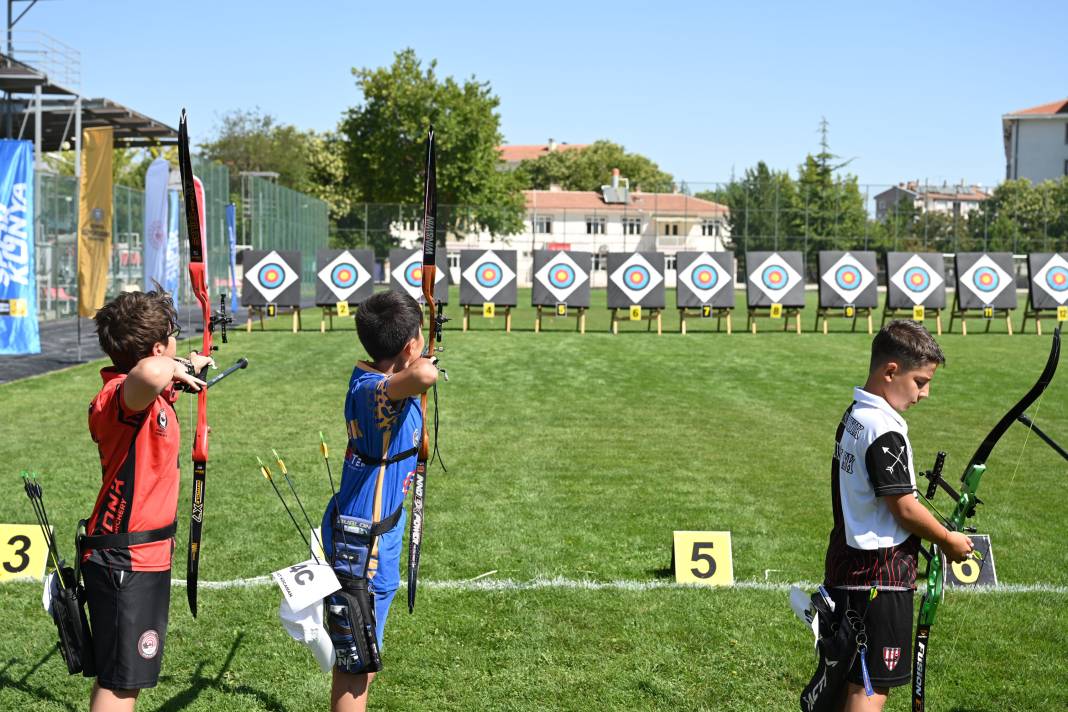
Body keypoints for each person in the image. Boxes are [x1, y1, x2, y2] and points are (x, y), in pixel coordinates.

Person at [820, 320, 973, 712]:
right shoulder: (882, 428)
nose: (925, 393)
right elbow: (904, 507)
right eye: (920, 381)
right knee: (869, 686)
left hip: (847, 566)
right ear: (891, 371)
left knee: (846, 679)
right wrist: (948, 539)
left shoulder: (854, 414)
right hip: (879, 577)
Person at [84, 290, 211, 712]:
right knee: (121, 681)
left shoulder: (149, 392)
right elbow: (150, 375)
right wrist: (177, 366)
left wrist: (186, 368)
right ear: (159, 349)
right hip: (125, 556)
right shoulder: (117, 396)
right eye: (172, 337)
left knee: (127, 676)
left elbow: (158, 379)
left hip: (143, 552)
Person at [320, 290, 439, 712]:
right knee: (356, 664)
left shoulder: (379, 378)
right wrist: (423, 361)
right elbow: (424, 377)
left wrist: (419, 353)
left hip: (378, 531)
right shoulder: (374, 391)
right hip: (361, 542)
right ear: (409, 346)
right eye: (420, 337)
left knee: (365, 655)